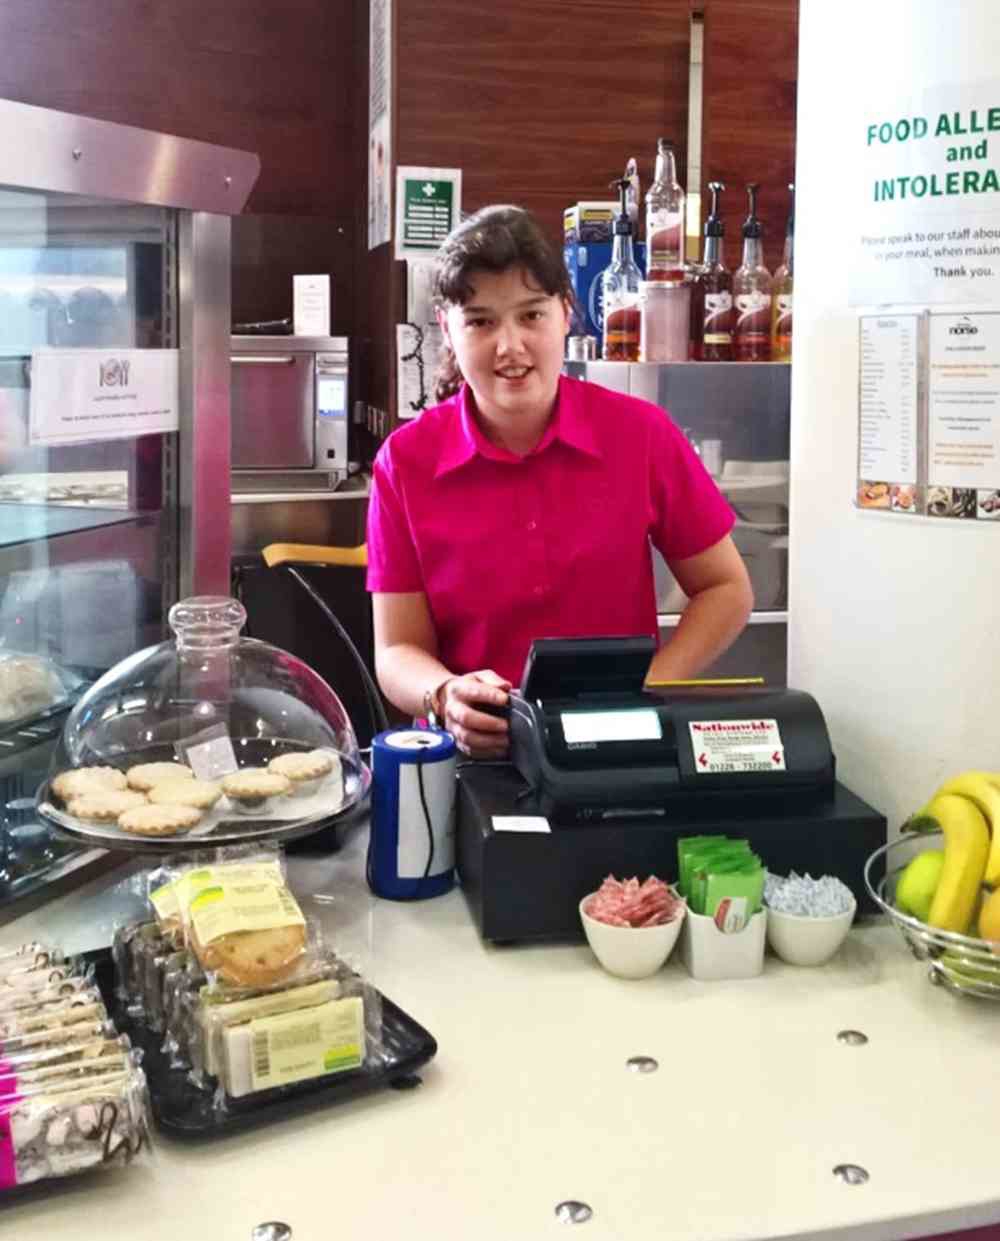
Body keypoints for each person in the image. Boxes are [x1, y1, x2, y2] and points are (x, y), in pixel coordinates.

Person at [366, 205, 753, 758]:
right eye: (480, 321)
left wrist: (646, 690)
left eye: (531, 316)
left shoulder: (640, 434)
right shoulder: (405, 462)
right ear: (446, 327)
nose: (510, 347)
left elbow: (726, 588)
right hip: (475, 757)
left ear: (566, 313)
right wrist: (445, 694)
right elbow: (398, 648)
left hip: (621, 745)